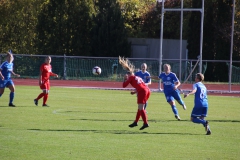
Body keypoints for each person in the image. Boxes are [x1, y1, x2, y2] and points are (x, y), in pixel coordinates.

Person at [119, 56, 150, 130]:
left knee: (141, 108)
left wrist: (124, 79)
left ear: (129, 74)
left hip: (142, 91)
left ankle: (145, 123)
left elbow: (124, 86)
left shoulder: (131, 78)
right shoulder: (137, 77)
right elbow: (141, 85)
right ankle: (135, 122)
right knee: (140, 108)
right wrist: (135, 91)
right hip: (147, 90)